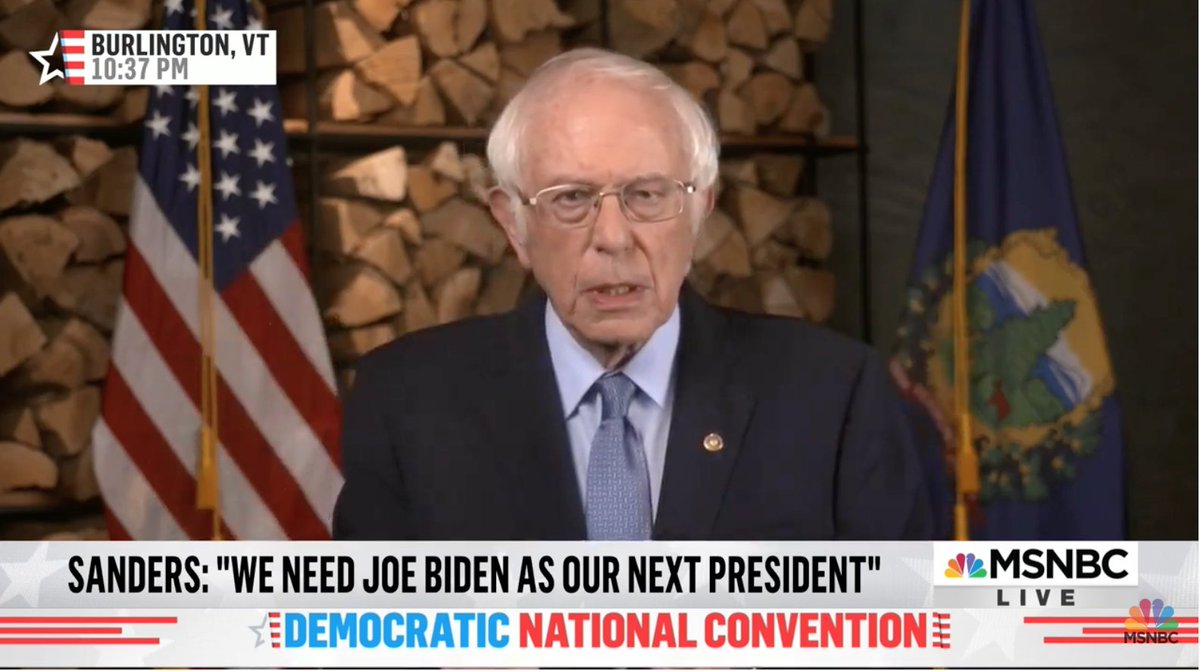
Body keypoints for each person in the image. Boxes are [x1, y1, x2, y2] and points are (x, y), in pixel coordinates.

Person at [332, 48, 931, 540]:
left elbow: (912, 635)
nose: (613, 238)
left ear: (700, 209)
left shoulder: (832, 394)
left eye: (648, 195)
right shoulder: (408, 400)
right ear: (512, 225)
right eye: (570, 199)